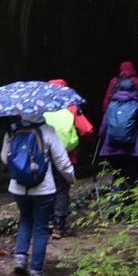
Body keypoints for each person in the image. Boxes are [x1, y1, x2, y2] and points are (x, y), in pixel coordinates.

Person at [1, 115, 75, 276]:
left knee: (26, 219)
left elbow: (5, 158)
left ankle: (20, 258)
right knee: (41, 228)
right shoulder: (47, 131)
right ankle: (36, 273)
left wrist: (21, 166)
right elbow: (61, 161)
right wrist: (70, 178)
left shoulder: (12, 130)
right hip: (43, 188)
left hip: (18, 187)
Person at [44, 79, 94, 239]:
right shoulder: (71, 106)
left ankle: (48, 221)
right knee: (62, 189)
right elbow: (86, 129)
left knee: (48, 188)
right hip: (66, 155)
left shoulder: (41, 107)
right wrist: (84, 140)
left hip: (44, 156)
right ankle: (59, 226)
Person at [98, 63, 138, 192]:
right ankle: (129, 203)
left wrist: (102, 139)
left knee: (117, 177)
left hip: (112, 149)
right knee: (131, 179)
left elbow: (103, 129)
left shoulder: (111, 106)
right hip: (133, 150)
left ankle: (114, 201)